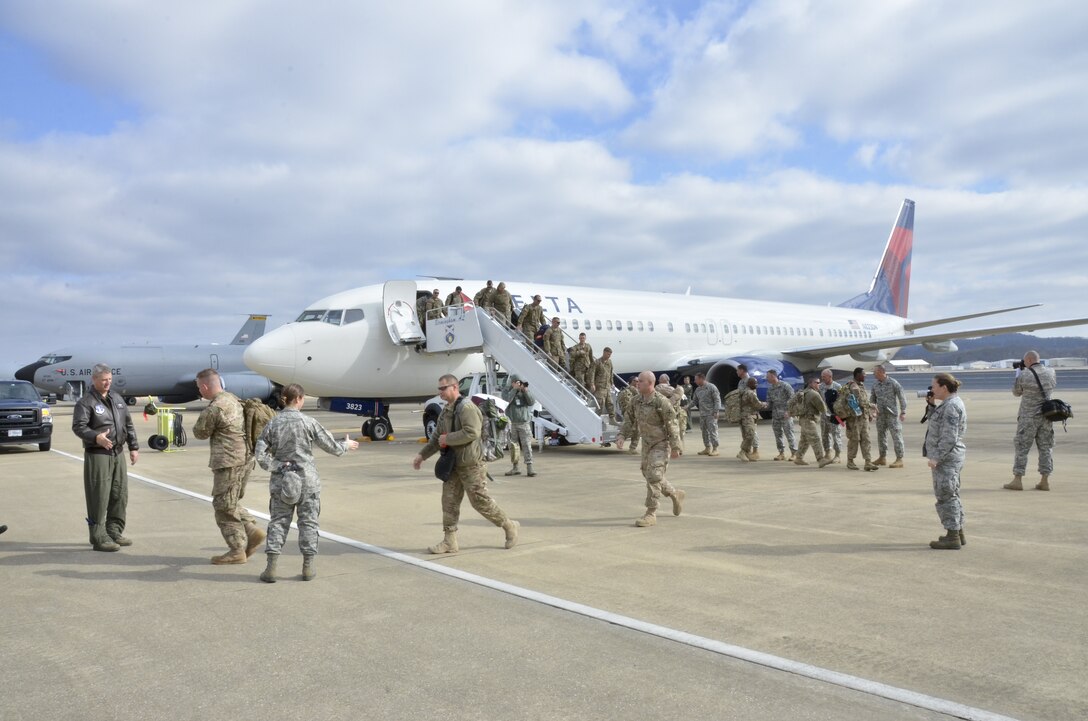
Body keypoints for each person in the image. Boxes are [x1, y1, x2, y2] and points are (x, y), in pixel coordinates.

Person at [254, 384, 359, 582]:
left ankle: (271, 568)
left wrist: (278, 466)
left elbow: (259, 454)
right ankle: (308, 567)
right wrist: (347, 444)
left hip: (282, 483)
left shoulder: (273, 424)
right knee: (308, 523)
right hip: (307, 482)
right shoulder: (308, 422)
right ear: (299, 398)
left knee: (278, 522)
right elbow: (333, 447)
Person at [413, 374, 520, 553]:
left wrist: (449, 438)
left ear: (454, 387)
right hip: (453, 464)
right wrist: (422, 456)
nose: (440, 392)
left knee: (480, 502)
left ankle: (509, 526)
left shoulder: (467, 408)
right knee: (449, 502)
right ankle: (449, 540)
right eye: (439, 389)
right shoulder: (446, 410)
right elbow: (436, 438)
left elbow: (472, 432)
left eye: (443, 388)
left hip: (471, 464)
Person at [193, 368, 265, 565]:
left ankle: (236, 550)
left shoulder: (216, 407)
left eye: (200, 387)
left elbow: (200, 432)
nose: (200, 391)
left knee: (223, 505)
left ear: (206, 386)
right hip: (246, 460)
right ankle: (251, 529)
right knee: (230, 501)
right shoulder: (234, 399)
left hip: (228, 462)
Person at [72, 364, 139, 552]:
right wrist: (96, 437)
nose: (108, 382)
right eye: (104, 379)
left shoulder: (117, 398)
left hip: (118, 453)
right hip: (98, 455)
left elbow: (128, 424)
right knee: (99, 496)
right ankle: (98, 536)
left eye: (109, 379)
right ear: (94, 379)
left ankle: (114, 530)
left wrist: (133, 447)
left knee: (119, 494)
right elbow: (79, 426)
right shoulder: (85, 402)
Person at [616, 371, 685, 528]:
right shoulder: (636, 401)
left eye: (640, 381)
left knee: (654, 475)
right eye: (637, 381)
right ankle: (675, 494)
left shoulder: (661, 402)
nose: (637, 383)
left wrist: (676, 447)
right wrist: (621, 436)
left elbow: (672, 424)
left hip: (661, 444)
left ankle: (651, 513)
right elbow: (629, 420)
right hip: (646, 444)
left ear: (650, 383)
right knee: (650, 475)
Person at [924, 373, 967, 549]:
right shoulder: (949, 404)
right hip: (949, 457)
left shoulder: (951, 407)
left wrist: (936, 457)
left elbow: (949, 437)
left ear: (944, 387)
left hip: (947, 459)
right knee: (951, 495)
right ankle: (958, 532)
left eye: (934, 386)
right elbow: (938, 424)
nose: (931, 389)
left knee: (946, 496)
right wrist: (931, 406)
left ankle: (952, 536)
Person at [1005, 350, 1057, 491]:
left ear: (1028, 360)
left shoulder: (1025, 374)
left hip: (1028, 418)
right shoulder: (1051, 372)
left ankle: (1017, 480)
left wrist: (1018, 374)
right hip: (1046, 417)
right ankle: (1044, 480)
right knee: (1046, 448)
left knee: (1022, 448)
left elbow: (1016, 392)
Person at [839, 368, 878, 471]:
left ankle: (868, 462)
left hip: (863, 418)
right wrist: (872, 406)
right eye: (863, 374)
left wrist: (868, 413)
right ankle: (850, 461)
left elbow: (863, 402)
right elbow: (860, 402)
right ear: (857, 375)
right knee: (854, 440)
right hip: (854, 420)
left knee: (866, 439)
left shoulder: (860, 385)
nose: (865, 376)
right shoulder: (853, 386)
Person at [870, 366, 908, 467]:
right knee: (881, 436)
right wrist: (873, 410)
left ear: (881, 372)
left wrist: (903, 411)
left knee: (896, 436)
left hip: (892, 415)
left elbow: (901, 397)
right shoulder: (875, 384)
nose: (873, 374)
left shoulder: (893, 383)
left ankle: (899, 459)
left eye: (875, 372)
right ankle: (882, 458)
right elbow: (872, 399)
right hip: (880, 415)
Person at [793, 375, 834, 467]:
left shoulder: (804, 392)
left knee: (804, 440)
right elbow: (823, 408)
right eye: (817, 383)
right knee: (815, 439)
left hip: (803, 419)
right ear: (811, 383)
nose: (819, 384)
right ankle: (821, 459)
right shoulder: (814, 394)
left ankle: (799, 458)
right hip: (809, 420)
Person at [502, 375, 536, 477]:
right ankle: (515, 467)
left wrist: (525, 391)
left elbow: (531, 402)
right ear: (512, 383)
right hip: (512, 423)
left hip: (523, 423)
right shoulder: (507, 391)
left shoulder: (523, 391)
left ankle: (530, 468)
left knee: (527, 445)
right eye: (516, 382)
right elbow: (506, 400)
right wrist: (514, 390)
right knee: (513, 446)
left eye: (519, 382)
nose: (518, 384)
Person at [765, 369, 797, 461]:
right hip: (776, 415)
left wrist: (790, 411)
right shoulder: (770, 389)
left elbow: (793, 399)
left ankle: (794, 453)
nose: (767, 378)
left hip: (786, 414)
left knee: (789, 434)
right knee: (778, 434)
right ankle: (781, 453)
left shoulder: (785, 386)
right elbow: (769, 403)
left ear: (773, 376)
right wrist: (761, 405)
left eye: (768, 376)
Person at [692, 372, 722, 456]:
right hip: (702, 414)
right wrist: (687, 407)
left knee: (713, 431)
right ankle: (707, 448)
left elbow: (717, 400)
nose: (695, 381)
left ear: (701, 379)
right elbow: (694, 401)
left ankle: (715, 449)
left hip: (711, 414)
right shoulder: (698, 389)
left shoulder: (711, 387)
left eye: (696, 379)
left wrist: (716, 411)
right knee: (704, 432)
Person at [737, 377, 766, 461]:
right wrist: (764, 404)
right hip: (748, 417)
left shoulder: (746, 392)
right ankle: (742, 452)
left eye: (756, 383)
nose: (756, 385)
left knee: (747, 435)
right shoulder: (750, 393)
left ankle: (747, 453)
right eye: (754, 383)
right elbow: (757, 404)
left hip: (745, 416)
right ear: (749, 384)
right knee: (750, 435)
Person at [733, 364, 759, 458]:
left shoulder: (751, 381)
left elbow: (753, 398)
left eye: (737, 370)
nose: (736, 372)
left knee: (752, 432)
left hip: (750, 411)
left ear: (742, 370)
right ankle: (747, 451)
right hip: (742, 411)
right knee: (745, 433)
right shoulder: (740, 382)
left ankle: (755, 451)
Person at [819, 369, 843, 463]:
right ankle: (827, 452)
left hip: (835, 415)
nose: (822, 378)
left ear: (830, 376)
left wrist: (840, 415)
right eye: (822, 377)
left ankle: (838, 455)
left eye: (824, 377)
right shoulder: (821, 387)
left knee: (836, 434)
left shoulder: (837, 386)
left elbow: (842, 401)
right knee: (824, 434)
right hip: (824, 415)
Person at [589, 347, 615, 423]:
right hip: (600, 387)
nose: (609, 356)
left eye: (610, 354)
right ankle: (596, 420)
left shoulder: (609, 362)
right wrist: (592, 384)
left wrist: (612, 383)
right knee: (600, 404)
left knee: (610, 403)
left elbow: (611, 373)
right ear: (604, 352)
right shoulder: (597, 362)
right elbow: (592, 374)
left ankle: (612, 419)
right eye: (607, 354)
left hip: (607, 387)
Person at [617, 379, 640, 453]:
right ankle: (621, 441)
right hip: (630, 413)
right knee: (628, 428)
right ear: (631, 382)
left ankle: (633, 448)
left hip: (636, 414)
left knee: (637, 430)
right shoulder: (626, 392)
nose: (637, 383)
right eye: (635, 381)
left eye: (638, 381)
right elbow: (626, 406)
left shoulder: (637, 391)